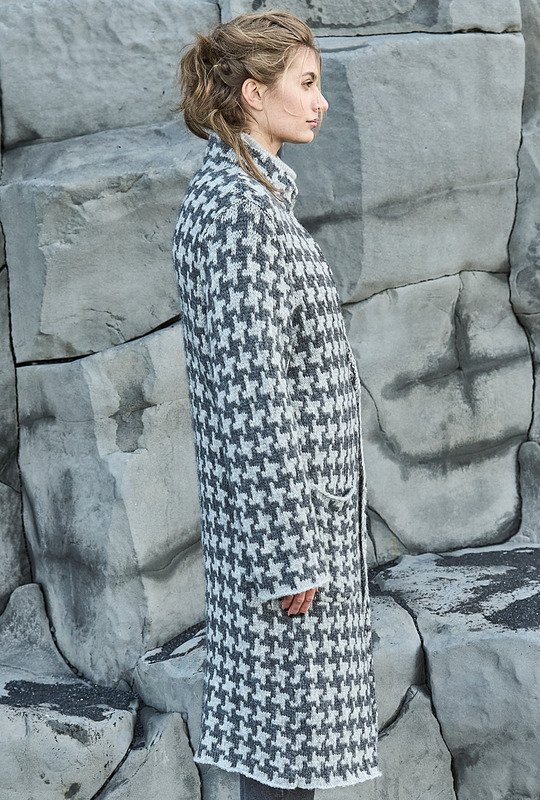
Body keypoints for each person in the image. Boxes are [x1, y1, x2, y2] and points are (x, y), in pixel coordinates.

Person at [172, 10, 381, 799]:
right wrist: (290, 554)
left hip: (286, 531)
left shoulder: (248, 197)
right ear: (254, 94)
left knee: (284, 755)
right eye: (307, 83)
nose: (321, 101)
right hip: (286, 545)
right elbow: (252, 395)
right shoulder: (240, 213)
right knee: (282, 760)